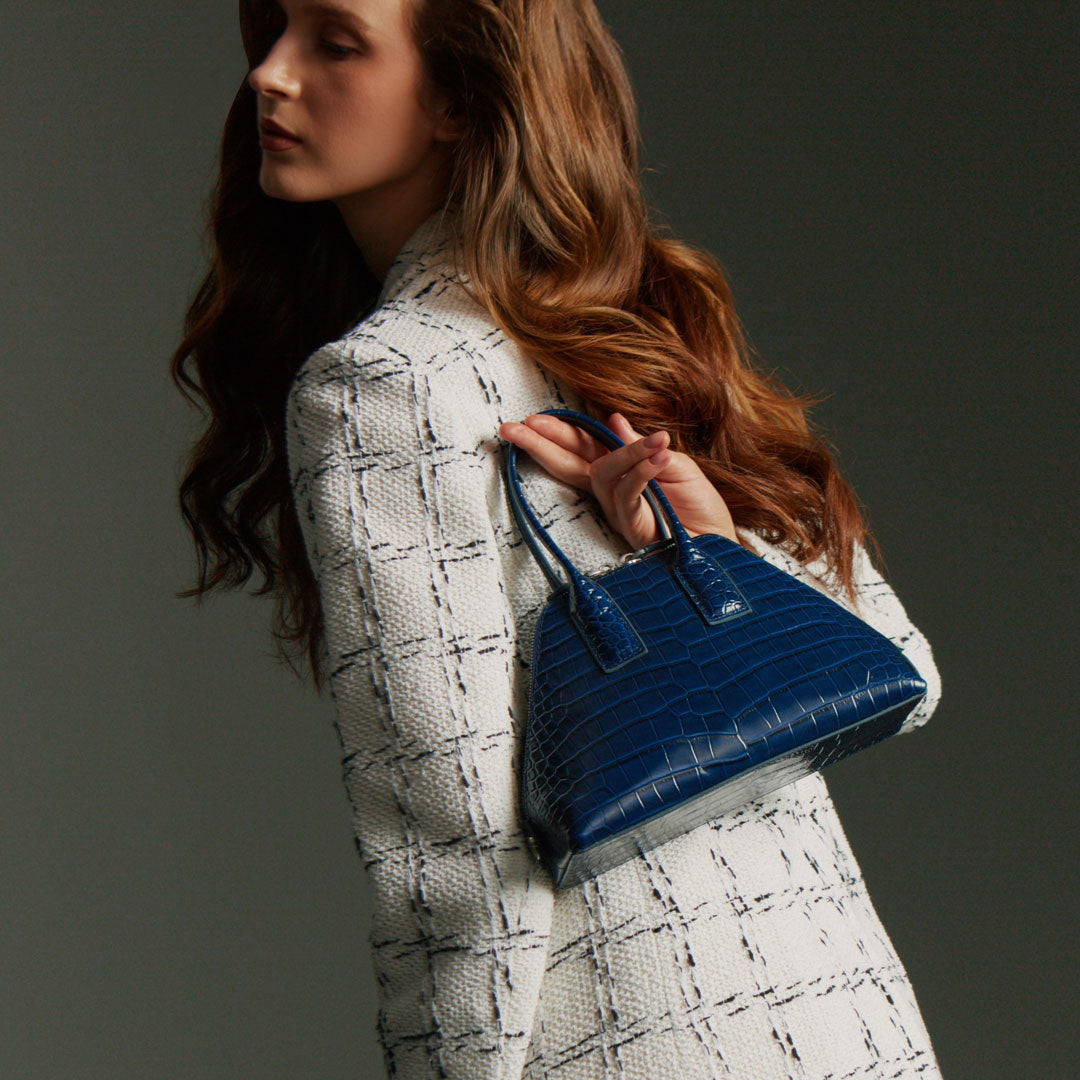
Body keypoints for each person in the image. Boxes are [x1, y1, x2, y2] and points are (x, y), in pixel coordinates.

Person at [170, 0, 945, 1077]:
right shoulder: (632, 322)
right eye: (275, 29)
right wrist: (721, 560)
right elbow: (907, 670)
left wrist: (708, 545)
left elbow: (447, 843)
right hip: (842, 1016)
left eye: (335, 42)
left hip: (623, 1036)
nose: (269, 74)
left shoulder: (382, 383)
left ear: (460, 96)